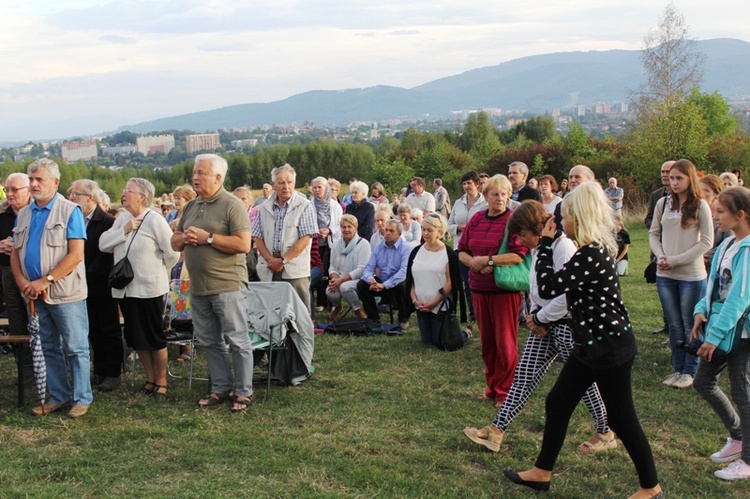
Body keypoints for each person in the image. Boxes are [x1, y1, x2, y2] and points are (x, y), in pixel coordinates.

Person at [503, 182, 662, 499]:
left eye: (565, 217)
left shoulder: (590, 254)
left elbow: (549, 288)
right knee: (558, 401)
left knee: (621, 418)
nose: (560, 223)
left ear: (580, 217)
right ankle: (541, 472)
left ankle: (651, 488)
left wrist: (546, 244)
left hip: (609, 347)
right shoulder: (592, 250)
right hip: (590, 344)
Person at [463, 200, 614, 453]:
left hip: (565, 325)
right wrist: (534, 315)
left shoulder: (562, 247)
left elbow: (567, 295)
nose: (521, 242)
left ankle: (606, 431)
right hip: (542, 323)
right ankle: (496, 431)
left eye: (523, 235)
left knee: (584, 381)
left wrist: (540, 318)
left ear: (536, 228)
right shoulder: (539, 249)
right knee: (523, 378)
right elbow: (536, 289)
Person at [172, 154, 254, 412]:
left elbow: (243, 244)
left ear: (218, 177)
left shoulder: (232, 205)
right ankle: (220, 388)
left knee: (237, 340)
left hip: (227, 285)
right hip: (197, 287)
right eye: (195, 172)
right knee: (209, 341)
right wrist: (184, 236)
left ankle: (243, 392)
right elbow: (174, 242)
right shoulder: (191, 206)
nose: (195, 177)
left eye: (202, 173)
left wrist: (209, 239)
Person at [11, 159, 92, 418]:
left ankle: (81, 398)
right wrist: (24, 283)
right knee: (47, 346)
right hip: (33, 294)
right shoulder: (24, 212)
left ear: (55, 183)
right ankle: (58, 396)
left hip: (65, 292)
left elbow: (76, 254)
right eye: (31, 179)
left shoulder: (70, 211)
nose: (33, 184)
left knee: (76, 346)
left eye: (39, 180)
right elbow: (15, 252)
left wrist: (45, 280)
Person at [100, 178, 178, 399]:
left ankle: (162, 381)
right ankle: (150, 379)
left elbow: (171, 252)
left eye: (128, 190)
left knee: (153, 337)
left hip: (150, 289)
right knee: (136, 338)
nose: (123, 193)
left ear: (142, 196)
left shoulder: (154, 219)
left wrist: (157, 272)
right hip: (125, 289)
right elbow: (103, 245)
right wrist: (123, 230)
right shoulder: (122, 219)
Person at [692, 187, 750, 480]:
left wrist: (713, 337)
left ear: (740, 215)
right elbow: (712, 286)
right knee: (703, 381)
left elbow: (739, 300)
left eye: (720, 212)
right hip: (721, 327)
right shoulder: (728, 244)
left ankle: (749, 460)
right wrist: (700, 310)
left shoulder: (748, 250)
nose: (714, 217)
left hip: (741, 333)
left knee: (742, 391)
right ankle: (739, 437)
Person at [458, 175, 529, 407]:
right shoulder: (476, 219)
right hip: (478, 289)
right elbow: (462, 251)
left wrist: (488, 261)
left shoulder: (513, 221)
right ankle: (491, 387)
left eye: (504, 194)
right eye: (495, 194)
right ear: (485, 196)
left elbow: (519, 254)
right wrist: (474, 263)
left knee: (505, 343)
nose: (500, 198)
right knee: (487, 342)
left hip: (503, 291)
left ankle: (505, 391)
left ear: (509, 196)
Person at [649, 159, 713, 389]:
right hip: (665, 274)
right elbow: (654, 233)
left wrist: (675, 260)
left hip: (691, 275)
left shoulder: (700, 205)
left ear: (690, 179)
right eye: (671, 178)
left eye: (679, 178)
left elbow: (707, 241)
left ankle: (690, 370)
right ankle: (678, 368)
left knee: (690, 324)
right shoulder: (663, 204)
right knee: (674, 324)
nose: (674, 182)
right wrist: (661, 256)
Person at [69, 180, 123, 392]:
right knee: (92, 330)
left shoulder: (107, 221)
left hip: (101, 283)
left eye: (75, 195)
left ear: (89, 197)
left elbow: (106, 254)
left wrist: (86, 273)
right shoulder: (74, 219)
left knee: (109, 330)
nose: (71, 198)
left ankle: (113, 372)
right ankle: (98, 370)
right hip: (80, 285)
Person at [254, 163, 318, 313]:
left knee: (299, 312)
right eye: (281, 182)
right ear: (273, 185)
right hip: (270, 268)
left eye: (289, 182)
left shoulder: (305, 206)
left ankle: (300, 336)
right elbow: (257, 237)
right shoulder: (263, 208)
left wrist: (283, 261)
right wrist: (271, 260)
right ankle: (277, 337)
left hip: (294, 269)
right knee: (272, 311)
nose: (286, 186)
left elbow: (305, 238)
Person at [405, 214, 460, 345]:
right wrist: (414, 300)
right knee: (427, 342)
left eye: (430, 230)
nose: (425, 233)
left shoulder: (448, 254)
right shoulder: (416, 251)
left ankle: (465, 334)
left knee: (443, 342)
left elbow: (450, 282)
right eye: (423, 229)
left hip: (439, 306)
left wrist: (434, 302)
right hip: (421, 305)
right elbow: (411, 279)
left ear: (440, 232)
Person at [448, 171, 488, 324]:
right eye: (464, 184)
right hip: (461, 247)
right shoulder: (458, 202)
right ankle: (473, 312)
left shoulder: (485, 203)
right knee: (467, 281)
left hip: (479, 247)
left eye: (469, 183)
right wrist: (459, 227)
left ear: (477, 184)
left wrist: (474, 228)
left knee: (481, 280)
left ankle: (483, 310)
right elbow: (449, 224)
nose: (466, 186)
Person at [357, 220, 412, 328]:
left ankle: (403, 319)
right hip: (381, 281)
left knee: (403, 285)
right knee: (361, 285)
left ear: (400, 234)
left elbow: (403, 272)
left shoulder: (406, 248)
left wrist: (384, 285)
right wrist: (371, 280)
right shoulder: (378, 247)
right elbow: (368, 268)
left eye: (391, 231)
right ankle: (373, 318)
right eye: (386, 230)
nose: (387, 233)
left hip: (396, 282)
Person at [0, 173, 32, 338]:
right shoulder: (2, 214)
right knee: (16, 322)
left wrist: (17, 247)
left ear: (28, 191)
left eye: (15, 189)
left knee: (36, 320)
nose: (9, 194)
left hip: (32, 273)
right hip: (8, 272)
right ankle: (24, 363)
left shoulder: (38, 213)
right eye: (7, 190)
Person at [327, 214, 372, 320]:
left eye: (349, 227)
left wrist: (341, 281)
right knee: (329, 290)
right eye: (343, 227)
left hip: (359, 280)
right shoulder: (336, 245)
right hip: (340, 278)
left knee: (345, 287)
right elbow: (332, 267)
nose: (346, 229)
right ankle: (338, 307)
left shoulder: (363, 244)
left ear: (355, 228)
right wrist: (334, 279)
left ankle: (358, 310)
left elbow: (362, 269)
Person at [310, 176, 343, 312]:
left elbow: (340, 225)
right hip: (315, 242)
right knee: (318, 272)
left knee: (331, 272)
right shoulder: (309, 204)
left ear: (326, 189)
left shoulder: (335, 205)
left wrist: (329, 231)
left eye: (320, 187)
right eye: (315, 187)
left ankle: (334, 303)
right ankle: (321, 302)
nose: (317, 190)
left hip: (331, 242)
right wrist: (315, 231)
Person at [700, 174, 729, 270]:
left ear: (716, 195)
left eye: (706, 190)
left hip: (714, 265)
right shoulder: (693, 212)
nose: (701, 193)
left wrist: (708, 256)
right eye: (699, 189)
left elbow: (729, 241)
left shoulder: (724, 215)